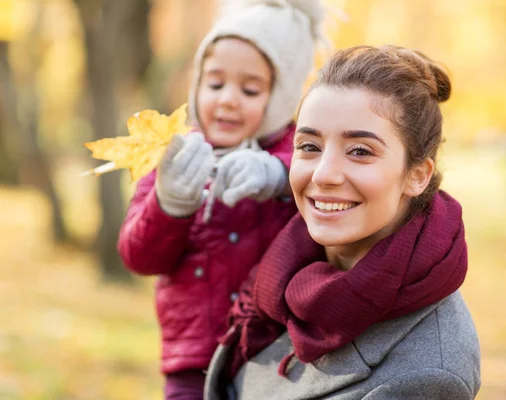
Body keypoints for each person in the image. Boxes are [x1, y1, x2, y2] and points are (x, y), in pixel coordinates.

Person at [204, 45, 481, 399]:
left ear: (416, 175)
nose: (323, 174)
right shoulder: (282, 267)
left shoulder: (428, 374)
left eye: (360, 151)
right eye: (309, 146)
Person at [117, 1, 326, 398]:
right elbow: (139, 256)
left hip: (275, 352)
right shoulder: (176, 155)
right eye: (215, 83)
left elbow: (324, 185)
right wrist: (169, 204)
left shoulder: (301, 150)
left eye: (250, 89)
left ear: (279, 97)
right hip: (193, 358)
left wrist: (280, 175)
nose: (228, 99)